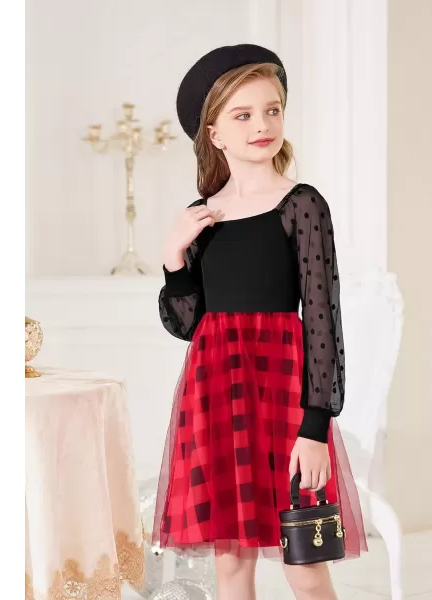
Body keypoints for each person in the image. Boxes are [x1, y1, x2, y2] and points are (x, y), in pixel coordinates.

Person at [152, 44, 367, 600]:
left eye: (272, 110)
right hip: (215, 398)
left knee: (305, 564)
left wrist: (315, 428)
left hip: (284, 396)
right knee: (231, 565)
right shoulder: (203, 216)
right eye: (243, 115)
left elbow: (322, 318)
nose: (262, 125)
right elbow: (187, 325)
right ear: (215, 134)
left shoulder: (302, 205)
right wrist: (174, 257)